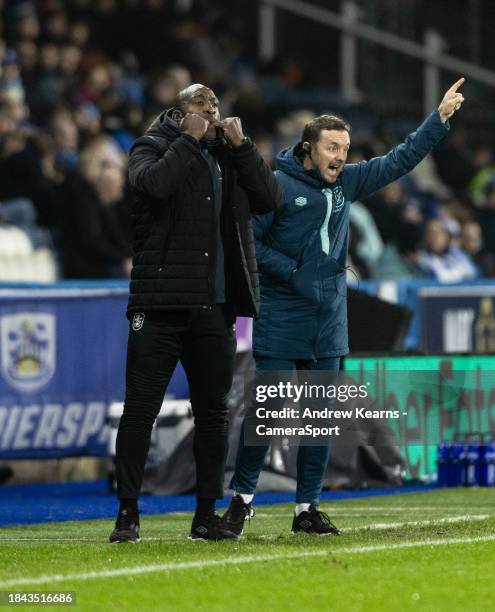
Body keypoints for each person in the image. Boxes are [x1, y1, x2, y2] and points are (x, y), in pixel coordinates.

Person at [222, 78, 466, 536]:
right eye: (332, 147)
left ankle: (306, 509)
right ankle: (242, 500)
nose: (340, 156)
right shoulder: (274, 185)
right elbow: (249, 243)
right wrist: (296, 273)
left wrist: (439, 120)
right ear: (309, 150)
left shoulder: (347, 183)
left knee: (318, 420)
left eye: (346, 147)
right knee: (265, 411)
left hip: (328, 320)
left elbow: (401, 160)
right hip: (282, 313)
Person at [109, 84, 281, 542]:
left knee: (212, 415)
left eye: (215, 105)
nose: (212, 110)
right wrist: (187, 139)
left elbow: (269, 199)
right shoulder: (150, 146)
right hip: (159, 306)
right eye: (201, 105)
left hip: (215, 308)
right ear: (178, 113)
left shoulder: (229, 156)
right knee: (139, 410)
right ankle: (128, 513)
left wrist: (243, 147)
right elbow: (153, 186)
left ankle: (206, 515)